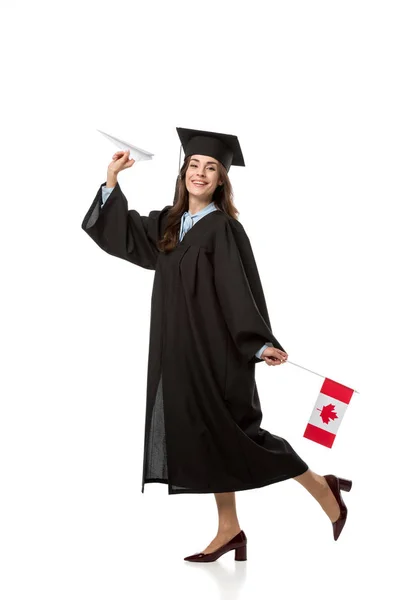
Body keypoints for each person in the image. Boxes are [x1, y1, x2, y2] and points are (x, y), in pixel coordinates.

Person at [81, 127, 352, 562]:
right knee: (208, 438)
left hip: (217, 356)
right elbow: (121, 236)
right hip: (178, 353)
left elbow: (238, 291)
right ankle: (229, 528)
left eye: (211, 168)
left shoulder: (224, 229)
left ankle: (324, 487)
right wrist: (112, 181)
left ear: (222, 179)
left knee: (240, 436)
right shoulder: (169, 224)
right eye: (194, 165)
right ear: (183, 172)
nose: (200, 173)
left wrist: (259, 344)